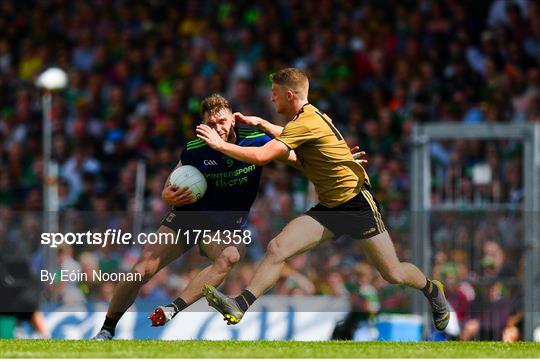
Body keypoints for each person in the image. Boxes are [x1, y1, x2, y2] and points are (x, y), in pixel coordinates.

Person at [92, 93, 369, 340]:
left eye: (222, 122)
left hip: (223, 227)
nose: (217, 128)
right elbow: (169, 186)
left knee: (230, 257)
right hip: (187, 218)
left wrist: (338, 163)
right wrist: (168, 196)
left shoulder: (256, 141)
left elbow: (299, 160)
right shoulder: (194, 150)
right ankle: (108, 328)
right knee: (141, 271)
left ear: (232, 121)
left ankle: (171, 308)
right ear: (203, 125)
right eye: (211, 124)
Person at [196, 68, 450, 331]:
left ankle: (433, 290)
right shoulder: (307, 117)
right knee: (277, 248)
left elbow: (262, 156)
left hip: (356, 204)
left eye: (274, 94)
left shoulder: (304, 123)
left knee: (393, 273)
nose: (272, 99)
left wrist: (219, 145)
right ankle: (240, 305)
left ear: (289, 94)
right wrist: (261, 123)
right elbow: (291, 140)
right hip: (330, 207)